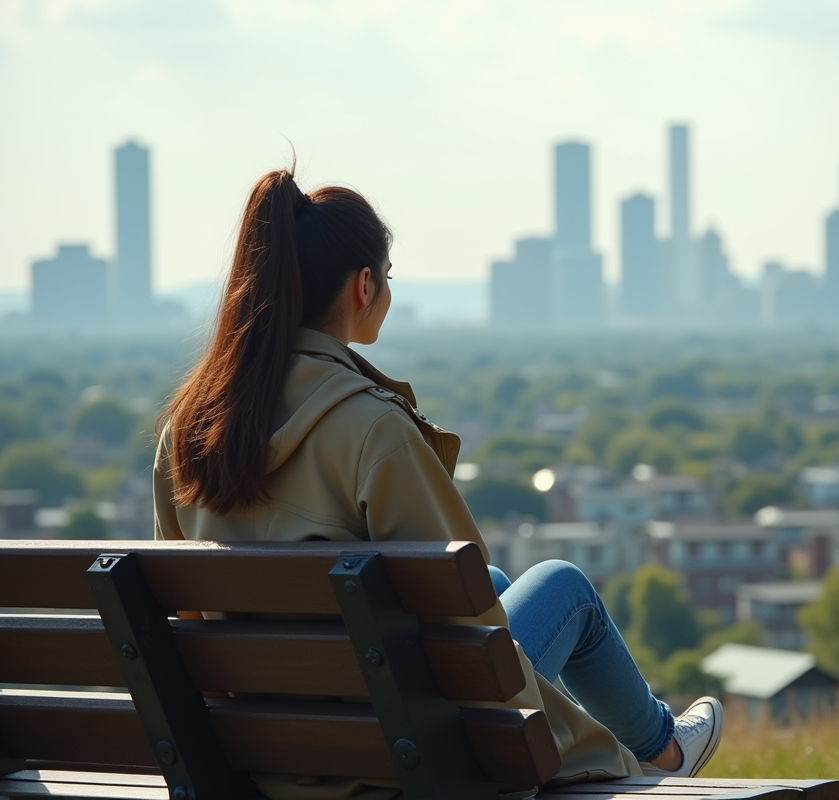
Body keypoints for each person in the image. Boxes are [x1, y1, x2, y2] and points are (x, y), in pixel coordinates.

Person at [153, 168, 723, 799]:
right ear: (364, 286)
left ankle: (659, 749)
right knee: (562, 587)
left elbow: (186, 614)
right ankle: (662, 755)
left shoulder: (190, 429)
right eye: (388, 278)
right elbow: (465, 621)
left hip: (262, 757)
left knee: (502, 586)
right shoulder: (369, 429)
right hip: (392, 760)